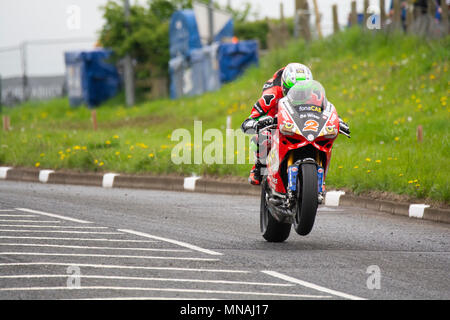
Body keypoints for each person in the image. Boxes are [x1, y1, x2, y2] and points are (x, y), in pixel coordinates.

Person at [240, 63, 349, 185]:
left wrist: (338, 120)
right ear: (285, 87)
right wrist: (255, 123)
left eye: (303, 91)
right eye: (293, 90)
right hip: (275, 121)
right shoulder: (271, 94)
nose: (298, 94)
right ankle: (259, 167)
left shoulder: (313, 92)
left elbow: (325, 108)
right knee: (263, 137)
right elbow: (251, 118)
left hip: (301, 121)